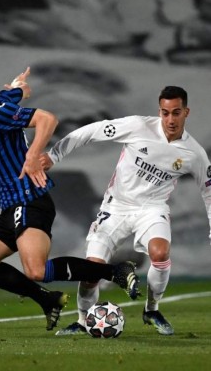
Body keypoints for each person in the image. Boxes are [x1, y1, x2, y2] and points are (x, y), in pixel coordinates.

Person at [0, 67, 140, 331]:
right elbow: (14, 93)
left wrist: (32, 155)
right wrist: (19, 86)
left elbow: (47, 119)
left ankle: (115, 271)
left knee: (36, 270)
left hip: (29, 201)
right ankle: (47, 300)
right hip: (12, 207)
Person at [41, 86, 211, 336]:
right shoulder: (137, 126)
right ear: (159, 111)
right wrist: (55, 155)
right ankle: (81, 320)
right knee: (92, 269)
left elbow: (208, 190)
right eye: (165, 113)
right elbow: (92, 131)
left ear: (186, 112)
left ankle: (151, 309)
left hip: (152, 209)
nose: (170, 120)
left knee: (160, 252)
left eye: (176, 113)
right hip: (116, 207)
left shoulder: (194, 153)